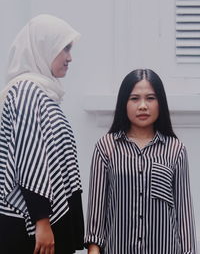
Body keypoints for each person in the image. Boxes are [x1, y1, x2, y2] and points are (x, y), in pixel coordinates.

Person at [85, 69, 197, 254]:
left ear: (160, 102)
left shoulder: (175, 150)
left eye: (150, 98)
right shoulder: (106, 148)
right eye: (134, 98)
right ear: (124, 103)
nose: (143, 106)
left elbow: (184, 215)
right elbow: (96, 210)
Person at [0, 14, 84, 254]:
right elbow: (29, 158)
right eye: (64, 48)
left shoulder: (43, 94)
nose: (70, 57)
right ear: (42, 48)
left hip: (40, 220)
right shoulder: (27, 91)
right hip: (31, 226)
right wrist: (42, 221)